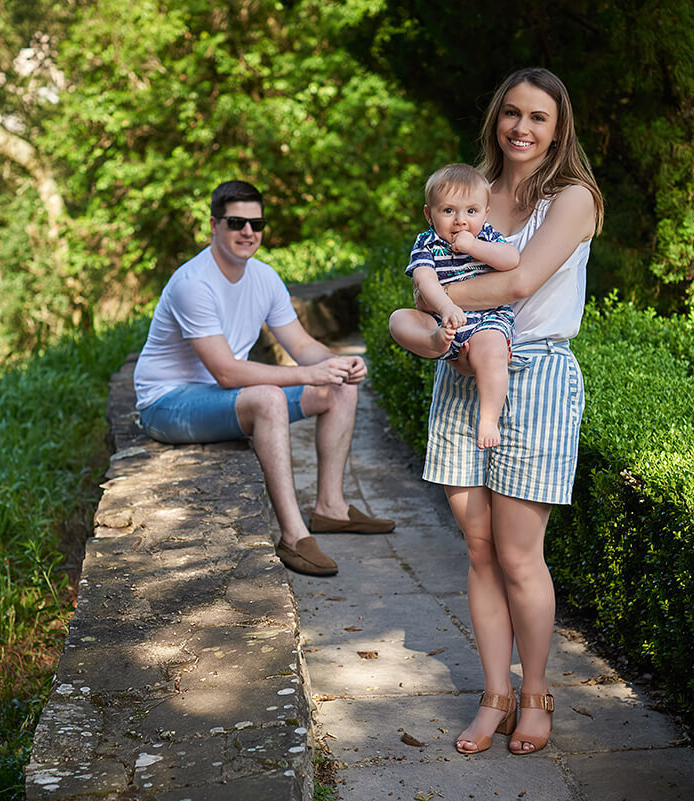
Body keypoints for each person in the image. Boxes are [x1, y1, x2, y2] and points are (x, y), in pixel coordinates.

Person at [419, 68, 603, 755]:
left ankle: (535, 693)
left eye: (539, 118)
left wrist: (437, 299)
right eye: (512, 114)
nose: (522, 128)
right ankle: (494, 693)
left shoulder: (573, 198)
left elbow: (523, 279)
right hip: (463, 371)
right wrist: (433, 320)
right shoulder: (469, 195)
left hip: (537, 377)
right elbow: (426, 275)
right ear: (497, 118)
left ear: (559, 130)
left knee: (521, 555)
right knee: (478, 549)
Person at [132, 180, 395, 578]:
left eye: (257, 224)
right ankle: (293, 536)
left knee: (338, 386)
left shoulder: (264, 278)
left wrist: (337, 363)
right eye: (236, 222)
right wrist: (307, 373)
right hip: (167, 403)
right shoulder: (193, 284)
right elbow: (226, 372)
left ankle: (331, 508)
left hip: (218, 398)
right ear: (214, 226)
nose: (248, 232)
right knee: (269, 398)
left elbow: (303, 346)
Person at [388, 164, 521, 450]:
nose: (460, 221)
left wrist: (474, 247)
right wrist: (446, 308)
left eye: (471, 212)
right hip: (442, 320)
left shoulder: (486, 236)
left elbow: (511, 259)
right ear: (429, 214)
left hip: (486, 320)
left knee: (494, 351)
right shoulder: (428, 242)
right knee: (399, 319)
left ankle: (488, 419)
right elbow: (424, 280)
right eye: (449, 211)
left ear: (485, 213)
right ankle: (435, 343)